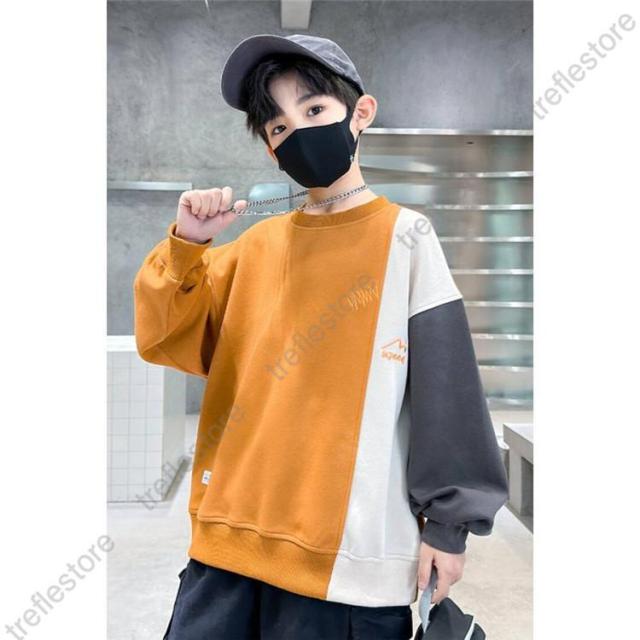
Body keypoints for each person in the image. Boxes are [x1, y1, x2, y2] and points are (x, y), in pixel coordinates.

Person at [133, 33, 509, 640]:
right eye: (279, 127)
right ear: (271, 150)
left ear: (361, 113)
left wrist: (449, 528)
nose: (298, 133)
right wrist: (188, 245)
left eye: (314, 110)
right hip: (227, 546)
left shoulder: (407, 239)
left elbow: (448, 393)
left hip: (346, 566)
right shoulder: (254, 247)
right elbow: (164, 338)